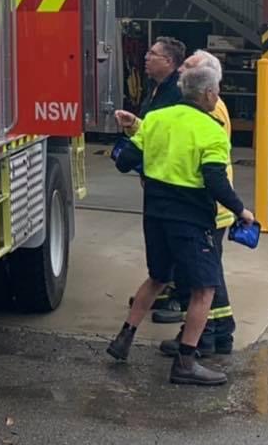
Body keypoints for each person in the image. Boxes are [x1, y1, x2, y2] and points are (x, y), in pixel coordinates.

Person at [105, 62, 256, 385]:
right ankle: (186, 362)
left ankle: (124, 339)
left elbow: (126, 162)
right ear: (209, 94)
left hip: (155, 214)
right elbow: (214, 179)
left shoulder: (157, 120)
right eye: (216, 91)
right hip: (191, 218)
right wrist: (242, 210)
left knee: (158, 276)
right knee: (204, 288)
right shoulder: (211, 131)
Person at [158, 50, 238, 357]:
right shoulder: (213, 107)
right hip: (212, 207)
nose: (181, 73)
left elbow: (205, 165)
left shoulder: (209, 112)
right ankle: (220, 332)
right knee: (209, 274)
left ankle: (205, 337)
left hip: (207, 208)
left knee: (202, 279)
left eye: (188, 70)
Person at [113, 35, 188, 322]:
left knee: (176, 242)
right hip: (155, 177)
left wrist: (131, 154)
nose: (146, 58)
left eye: (152, 54)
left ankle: (178, 298)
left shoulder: (175, 94)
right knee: (160, 243)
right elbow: (151, 132)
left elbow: (164, 137)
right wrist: (134, 125)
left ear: (169, 62)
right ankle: (165, 288)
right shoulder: (156, 89)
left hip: (171, 184)